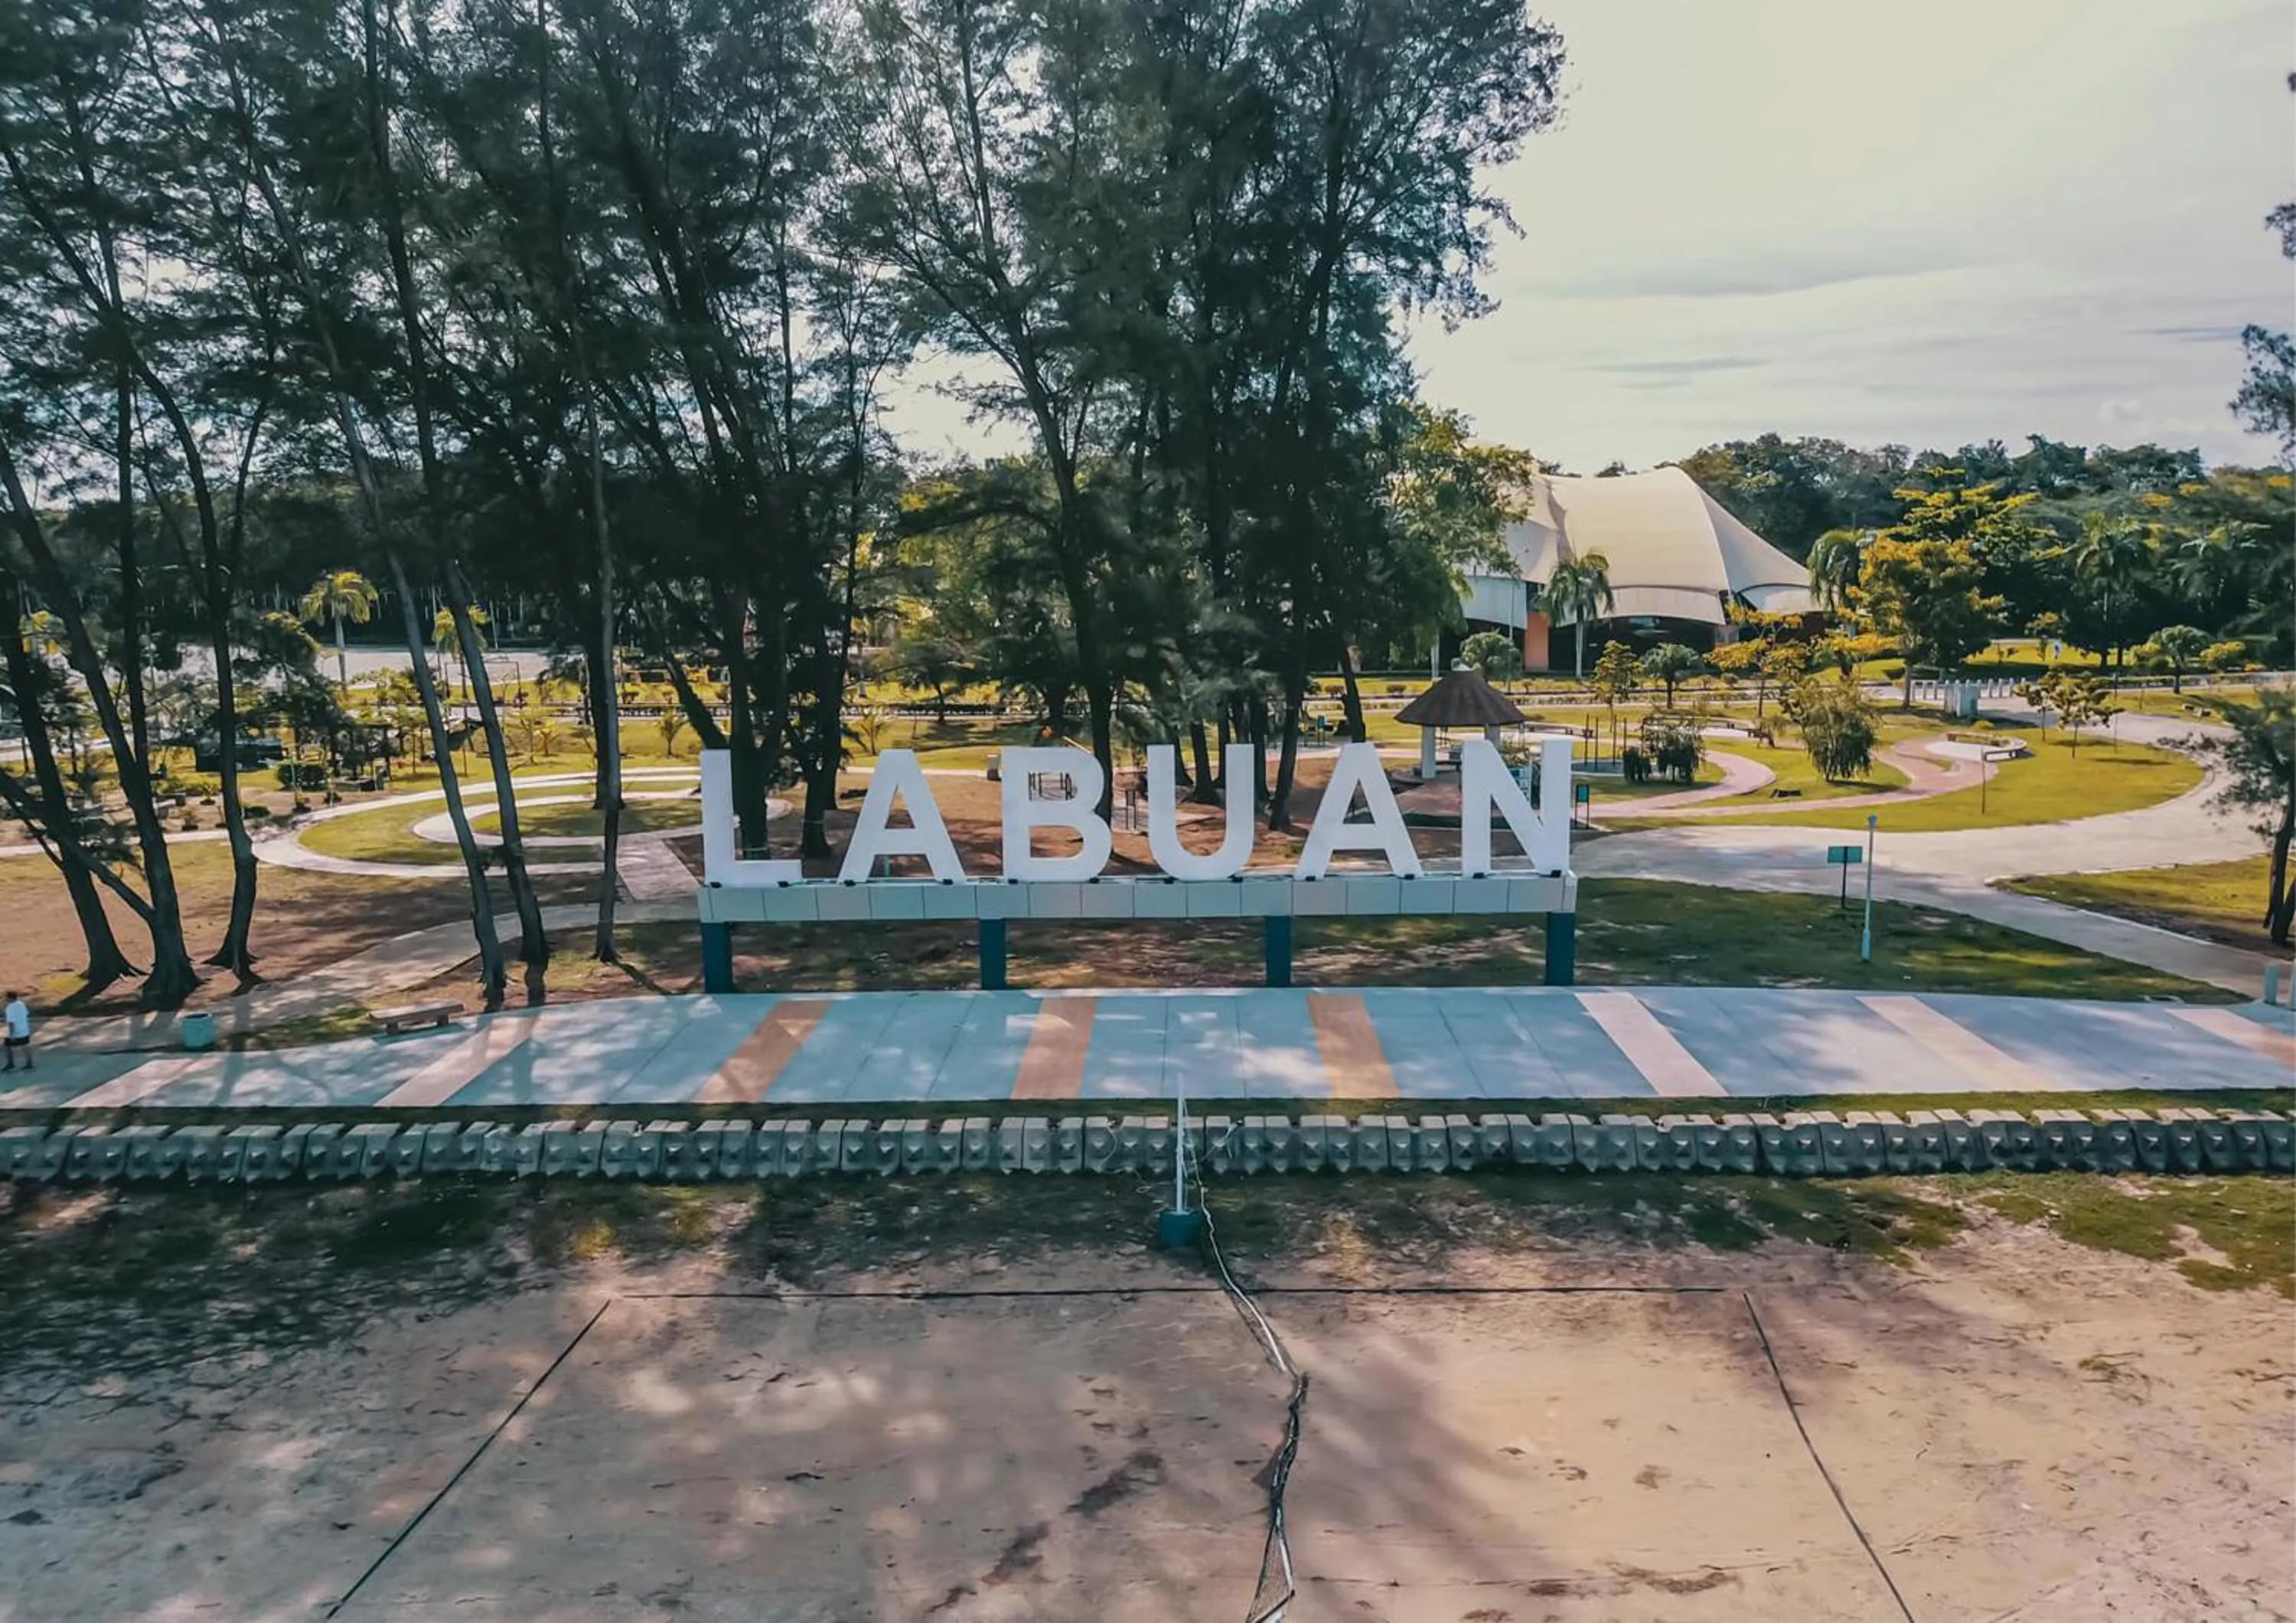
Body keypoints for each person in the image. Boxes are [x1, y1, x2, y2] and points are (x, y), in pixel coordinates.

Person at [2, 991, 29, 1073]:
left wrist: (12, 1035)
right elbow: (26, 1014)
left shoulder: (9, 1008)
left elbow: (11, 1022)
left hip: (17, 1032)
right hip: (25, 1030)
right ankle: (29, 1063)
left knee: (7, 1047)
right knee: (25, 1046)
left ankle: (11, 1063)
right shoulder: (21, 1004)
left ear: (9, 998)